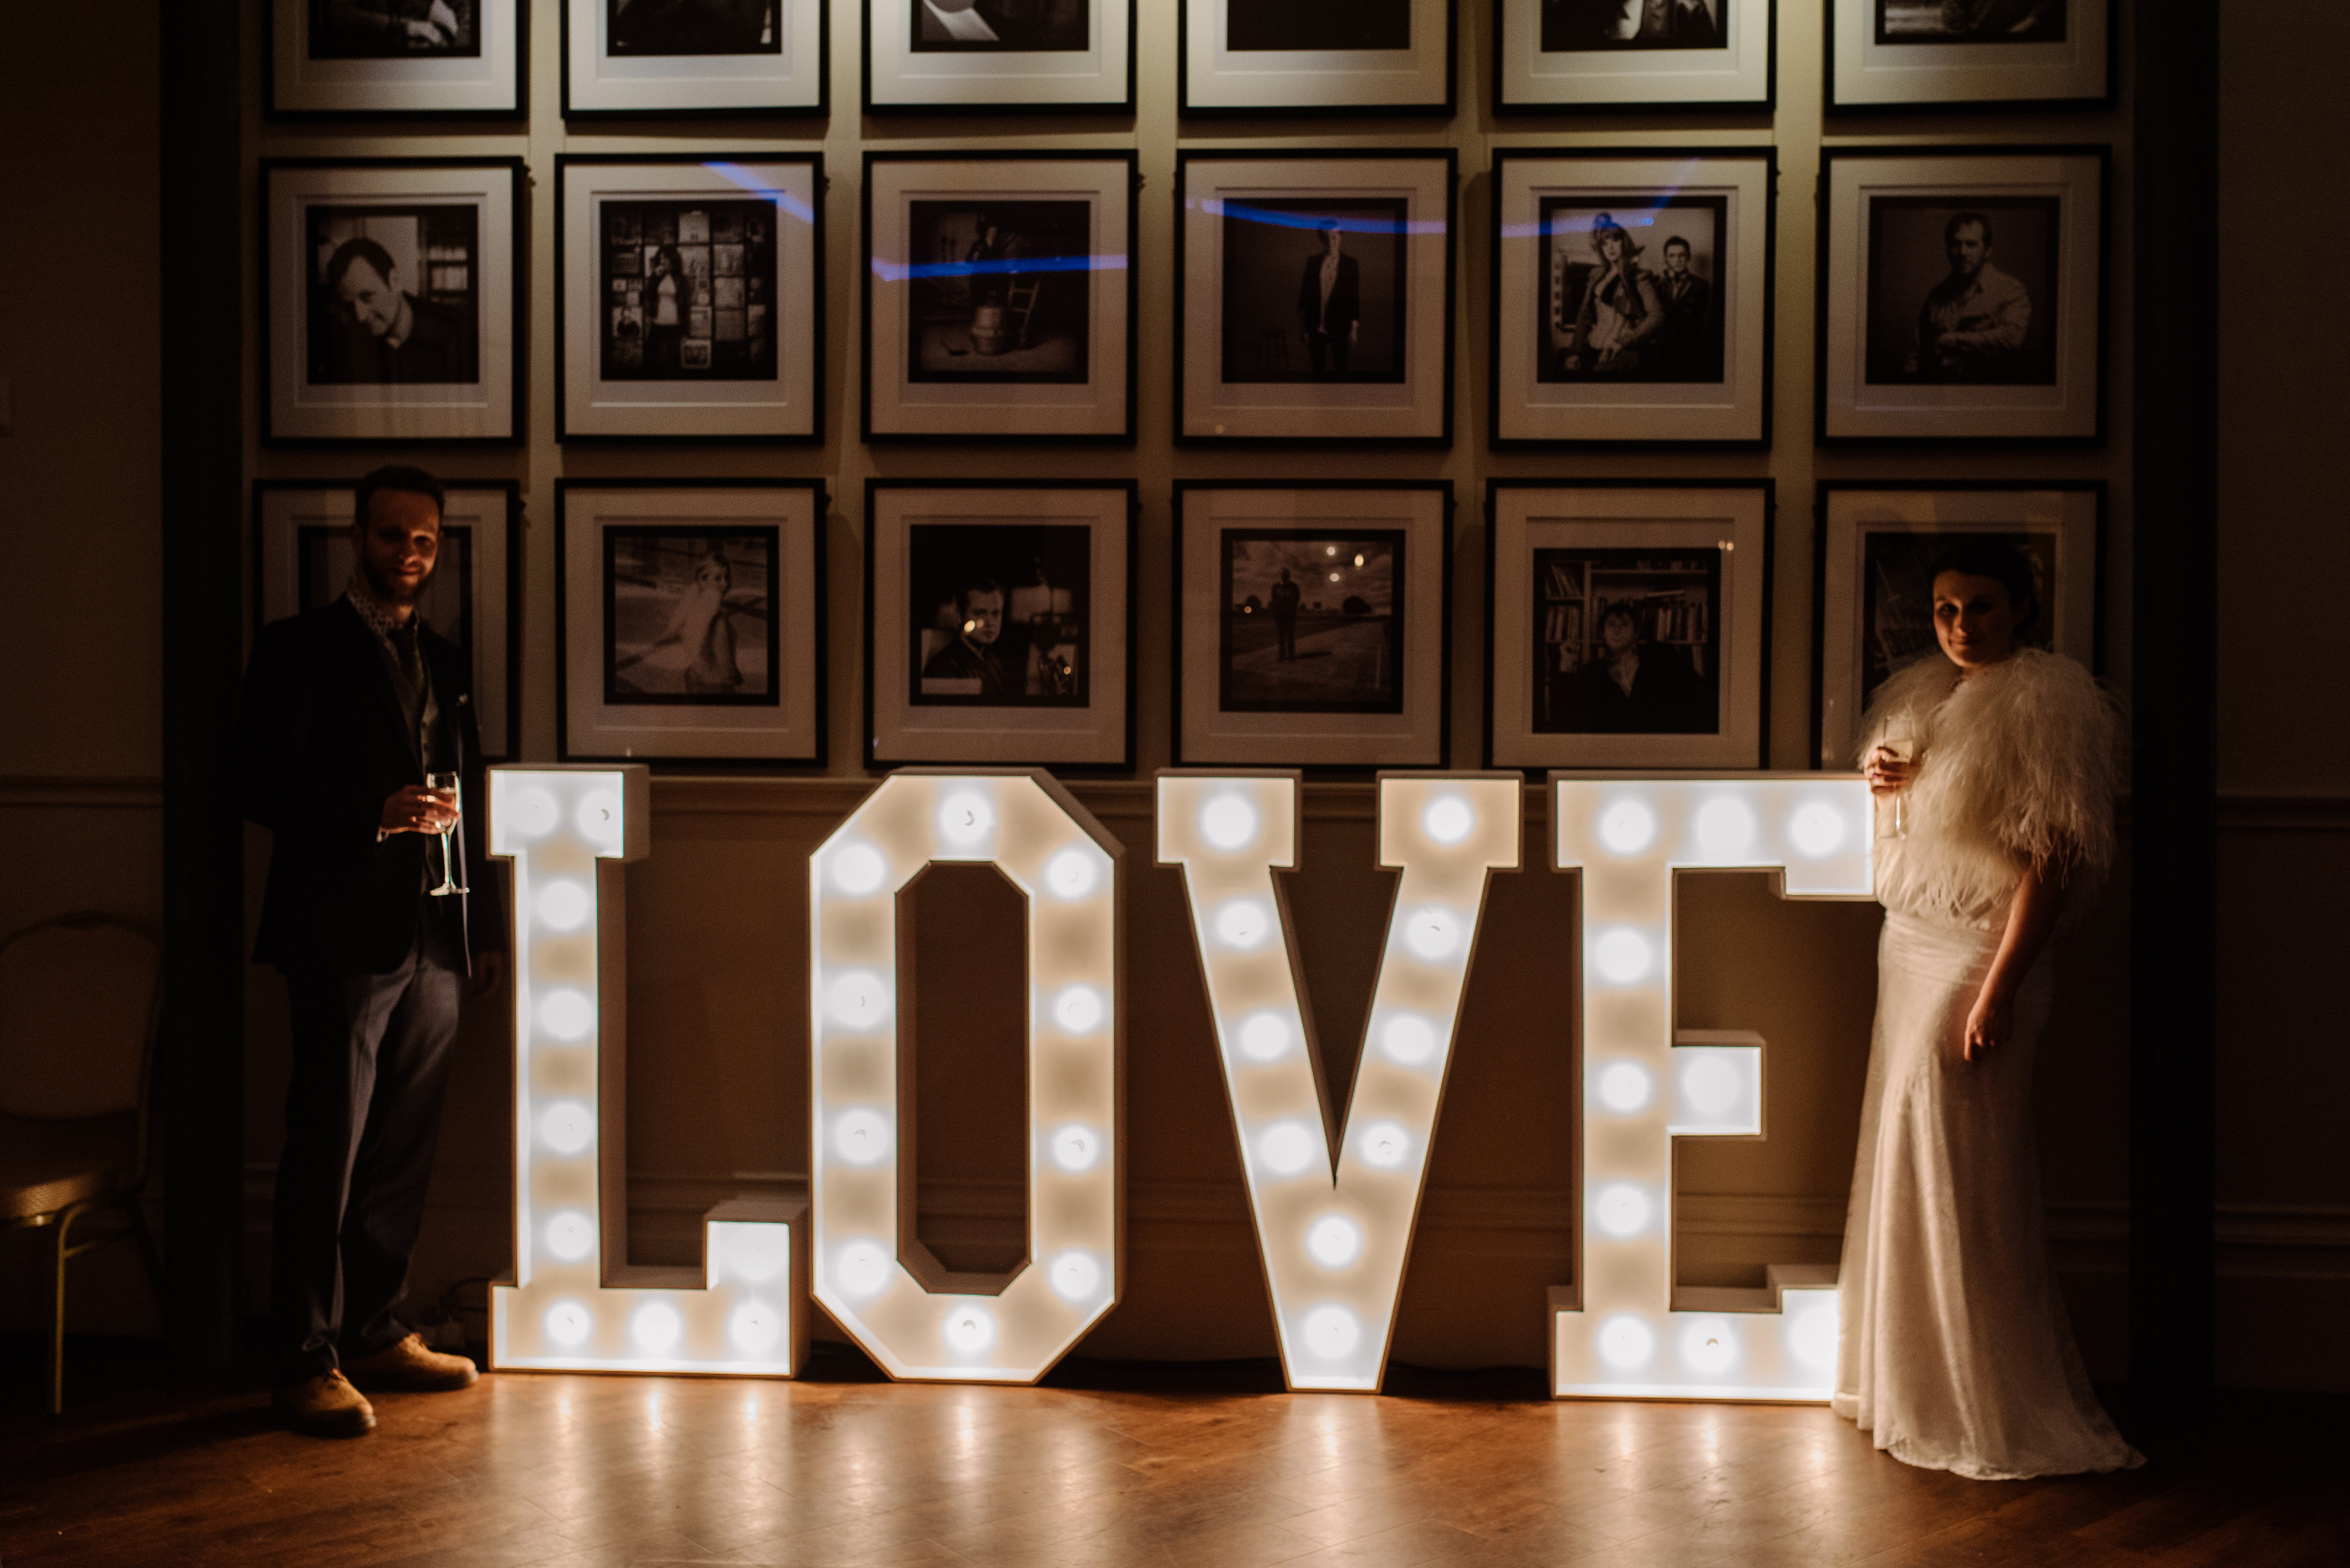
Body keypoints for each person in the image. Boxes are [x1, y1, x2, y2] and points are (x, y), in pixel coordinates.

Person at [1840, 540, 2140, 1480]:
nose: (1961, 625)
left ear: (2019, 609)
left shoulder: (2047, 704)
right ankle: (1908, 1382)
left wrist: (2000, 987)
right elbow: (1925, 826)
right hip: (1909, 942)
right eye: (1945, 609)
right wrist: (1885, 783)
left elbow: (2050, 864)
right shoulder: (1923, 696)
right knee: (1904, 1150)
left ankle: (1982, 1400)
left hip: (1979, 954)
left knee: (1966, 1170)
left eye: (1980, 606)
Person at [238, 466, 506, 1438]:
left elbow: (473, 790)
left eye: (425, 540)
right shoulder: (297, 648)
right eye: (393, 536)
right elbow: (254, 781)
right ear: (358, 537)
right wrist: (372, 813)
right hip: (341, 932)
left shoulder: (446, 656)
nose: (410, 554)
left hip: (436, 930)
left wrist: (484, 929)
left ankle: (376, 1328)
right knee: (328, 1143)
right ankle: (304, 1359)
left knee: (402, 1142)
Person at [321, 237, 476, 385]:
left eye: (367, 297)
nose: (360, 317)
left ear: (394, 281)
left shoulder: (458, 333)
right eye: (349, 305)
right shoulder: (351, 348)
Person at [1907, 211, 2031, 383]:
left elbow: (2012, 339)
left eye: (1971, 244)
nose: (1962, 252)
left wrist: (1955, 340)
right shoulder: (1937, 296)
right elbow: (1916, 353)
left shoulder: (2011, 291)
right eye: (1955, 244)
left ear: (1988, 251)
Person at [627, 548, 745, 695]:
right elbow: (727, 672)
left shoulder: (691, 611)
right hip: (716, 688)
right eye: (718, 578)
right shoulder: (719, 621)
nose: (724, 584)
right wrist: (738, 682)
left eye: (727, 577)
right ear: (702, 580)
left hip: (694, 678)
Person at [1566, 603, 1697, 732]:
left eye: (1624, 624)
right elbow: (1575, 717)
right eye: (1611, 624)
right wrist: (1566, 668)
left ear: (1636, 633)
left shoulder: (1661, 658)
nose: (1617, 630)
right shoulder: (1592, 673)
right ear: (1603, 633)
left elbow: (1691, 697)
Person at [1566, 215, 1663, 377]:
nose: (1610, 247)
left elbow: (1658, 316)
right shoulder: (1596, 275)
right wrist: (1574, 351)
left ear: (1624, 242)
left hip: (1622, 349)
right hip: (1591, 346)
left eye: (1615, 240)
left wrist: (1623, 342)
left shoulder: (1639, 276)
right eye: (1604, 243)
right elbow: (1584, 315)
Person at [921, 577, 1015, 698]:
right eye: (979, 613)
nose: (990, 622)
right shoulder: (944, 667)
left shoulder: (994, 661)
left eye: (996, 613)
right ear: (960, 615)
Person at [1296, 219, 1360, 379]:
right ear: (1322, 239)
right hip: (1316, 326)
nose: (1331, 241)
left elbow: (1354, 299)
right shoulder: (1313, 262)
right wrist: (1304, 328)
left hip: (1340, 327)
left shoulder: (1350, 264)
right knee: (1317, 370)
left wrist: (1353, 330)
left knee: (1342, 368)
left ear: (1341, 238)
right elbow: (1305, 296)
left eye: (1335, 237)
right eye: (1327, 237)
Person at [1653, 235, 1713, 380]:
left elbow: (1701, 322)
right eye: (1672, 256)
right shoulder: (1658, 285)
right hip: (1661, 349)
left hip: (1688, 349)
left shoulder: (1700, 285)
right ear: (1666, 259)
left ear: (1688, 257)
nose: (1677, 260)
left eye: (1682, 255)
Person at [645, 244, 686, 377]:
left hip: (675, 323)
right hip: (657, 321)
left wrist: (685, 331)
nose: (663, 261)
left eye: (666, 258)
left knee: (673, 361)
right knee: (651, 358)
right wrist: (655, 276)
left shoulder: (681, 278)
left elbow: (686, 306)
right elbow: (649, 295)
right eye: (661, 258)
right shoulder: (657, 276)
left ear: (672, 259)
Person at [1268, 569, 1303, 662]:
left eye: (1286, 575)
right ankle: (1282, 655)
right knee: (1281, 636)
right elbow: (1273, 599)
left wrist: (1290, 602)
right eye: (1283, 575)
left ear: (1288, 576)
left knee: (1290, 636)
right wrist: (1276, 610)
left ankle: (1291, 655)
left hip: (1290, 614)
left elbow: (1297, 598)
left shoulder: (1293, 586)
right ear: (1281, 576)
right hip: (1279, 615)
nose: (1284, 576)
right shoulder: (1276, 586)